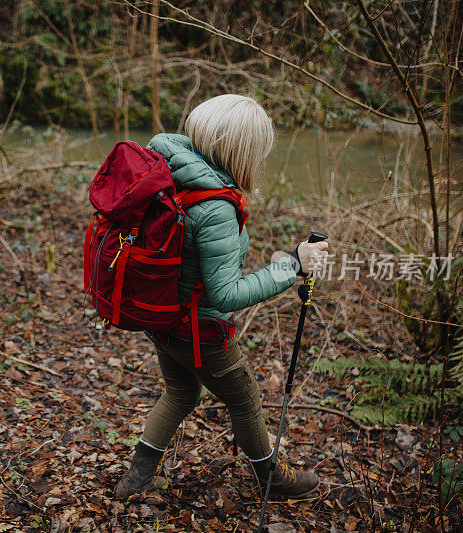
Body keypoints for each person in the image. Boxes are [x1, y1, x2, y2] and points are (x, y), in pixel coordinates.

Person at [114, 94, 330, 500]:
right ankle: (275, 481)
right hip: (200, 329)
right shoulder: (215, 208)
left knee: (180, 393)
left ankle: (135, 480)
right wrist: (293, 265)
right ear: (244, 153)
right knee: (245, 399)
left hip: (159, 316)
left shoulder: (167, 170)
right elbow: (226, 294)